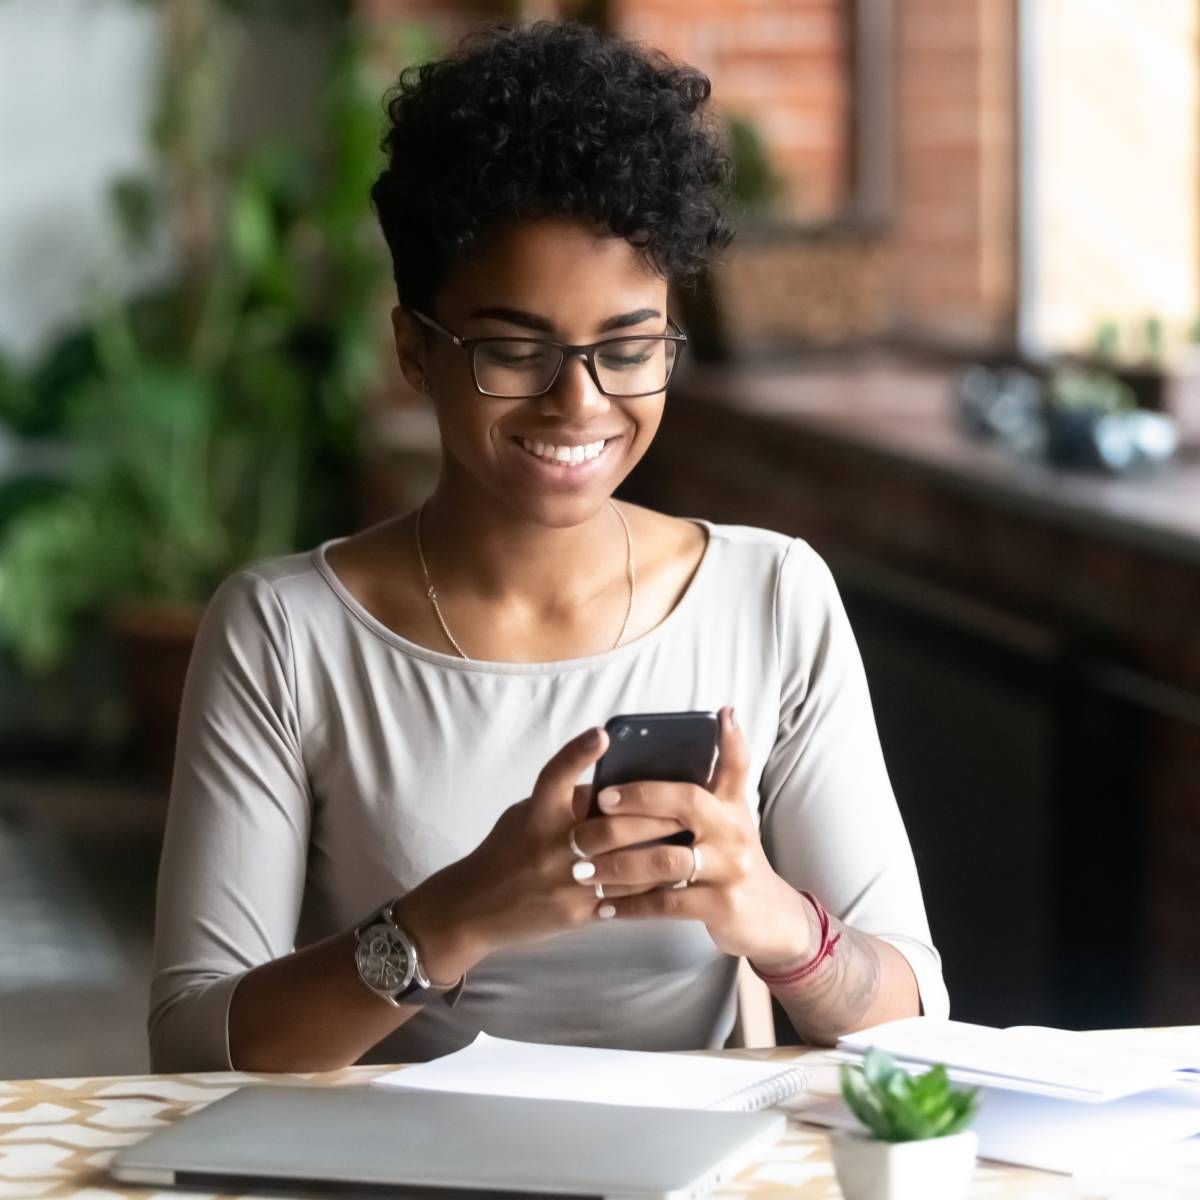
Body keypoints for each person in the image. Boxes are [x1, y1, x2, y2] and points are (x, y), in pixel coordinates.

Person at [149, 19, 948, 1074]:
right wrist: (451, 919)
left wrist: (778, 923)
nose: (580, 403)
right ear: (413, 351)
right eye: (516, 350)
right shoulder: (286, 635)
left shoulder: (771, 597)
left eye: (628, 349)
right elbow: (193, 1046)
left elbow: (916, 1022)